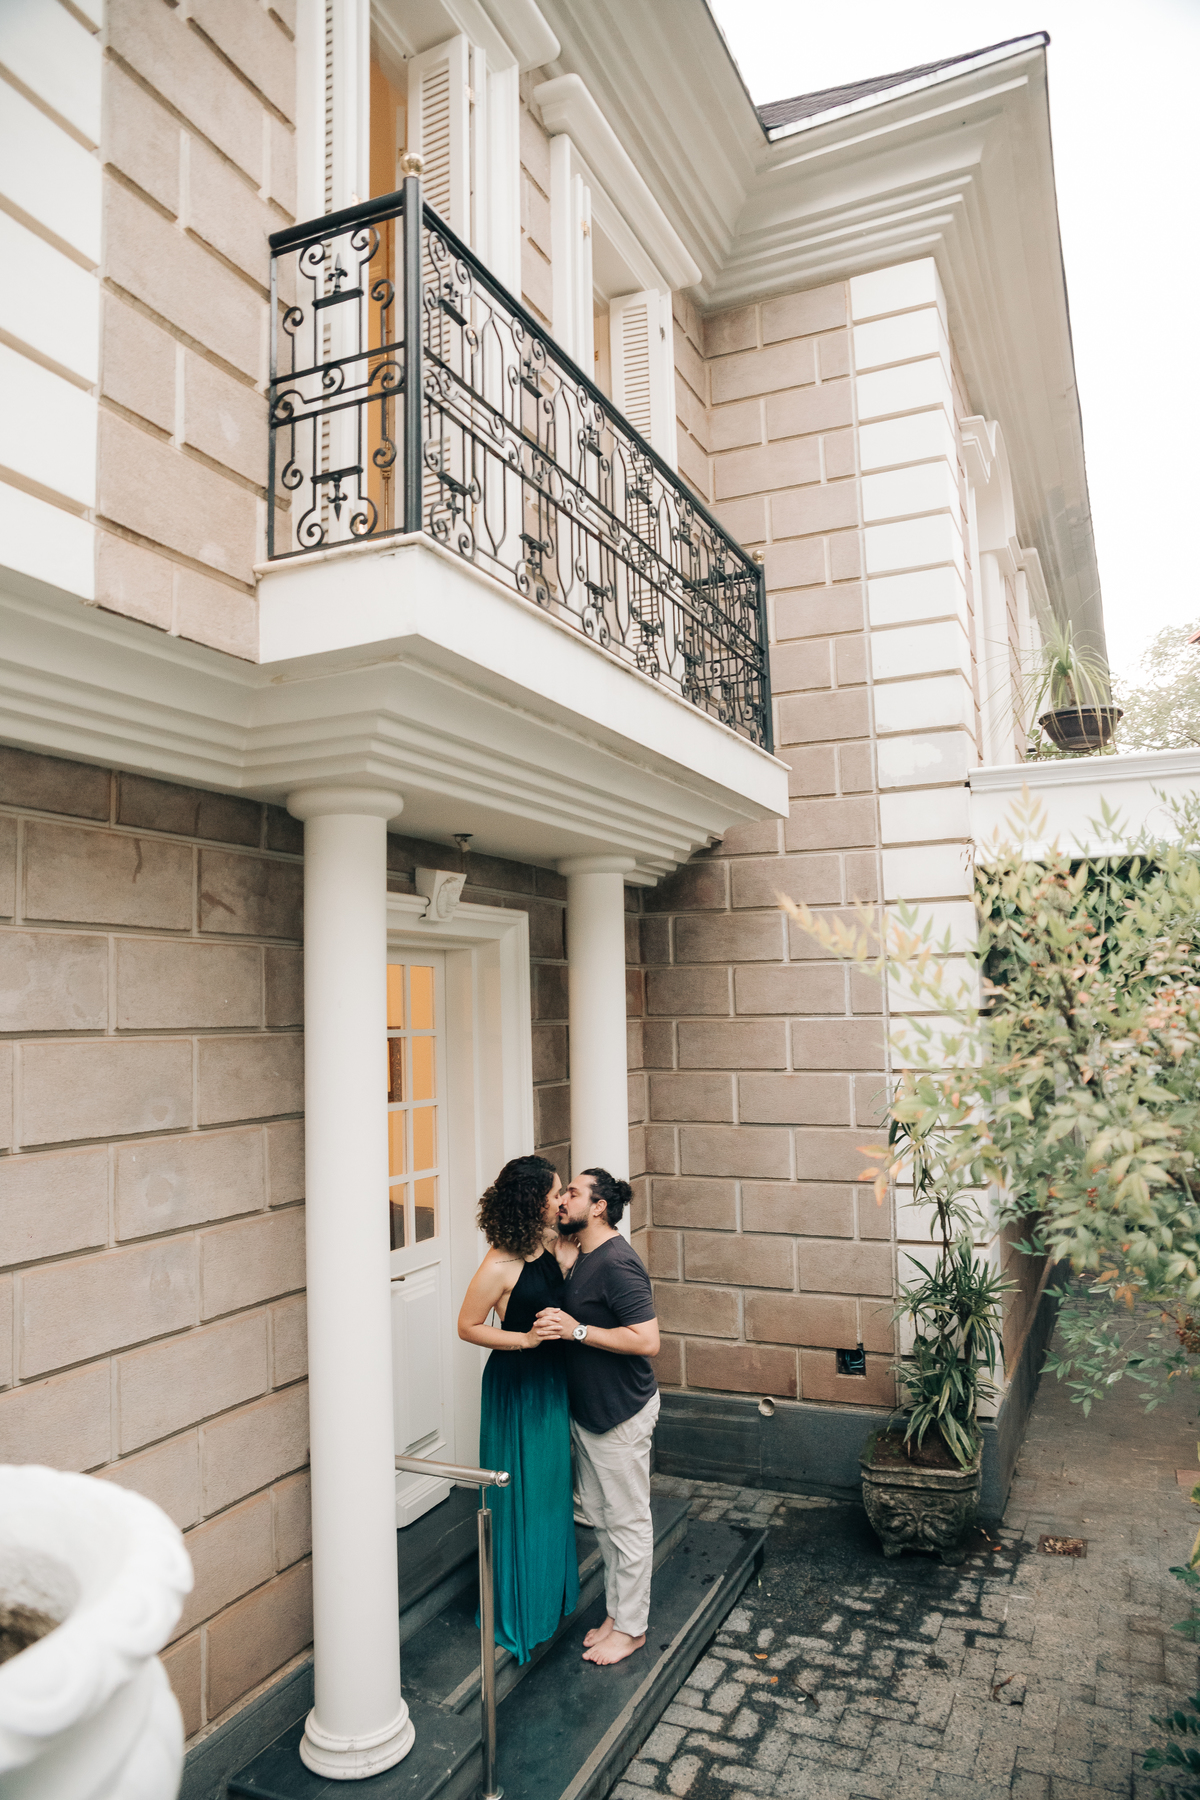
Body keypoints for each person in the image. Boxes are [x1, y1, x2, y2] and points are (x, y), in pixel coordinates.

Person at [534, 1169, 660, 1666]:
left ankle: (631, 1629)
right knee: (603, 1521)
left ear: (600, 1206)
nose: (563, 1200)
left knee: (627, 1523)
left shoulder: (618, 1263)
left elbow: (647, 1340)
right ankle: (616, 1613)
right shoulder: (584, 1253)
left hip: (620, 1413)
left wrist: (578, 1331)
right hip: (591, 1413)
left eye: (572, 1193)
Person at [457, 1155, 580, 1663]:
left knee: (550, 1492)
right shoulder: (497, 1265)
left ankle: (549, 1593)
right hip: (518, 1388)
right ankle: (521, 1607)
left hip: (551, 1383)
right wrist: (526, 1339)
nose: (560, 1200)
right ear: (532, 1201)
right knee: (522, 1496)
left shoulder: (547, 1245)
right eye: (554, 1193)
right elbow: (467, 1327)